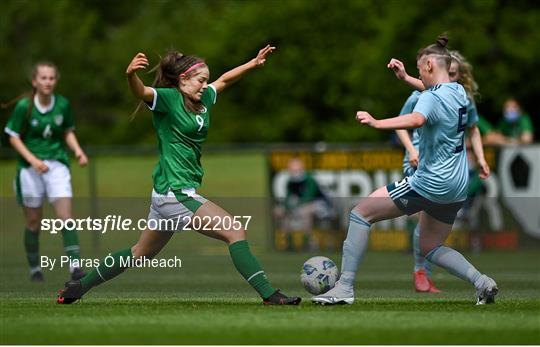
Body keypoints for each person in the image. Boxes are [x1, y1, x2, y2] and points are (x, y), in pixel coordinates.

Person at [57, 45, 301, 305]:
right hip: (175, 192)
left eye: (206, 80)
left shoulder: (203, 97)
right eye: (200, 80)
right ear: (182, 80)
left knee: (139, 253)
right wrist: (130, 75)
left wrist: (252, 63)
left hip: (170, 192)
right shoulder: (168, 99)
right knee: (235, 230)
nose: (205, 85)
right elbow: (140, 92)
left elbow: (225, 80)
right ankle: (269, 294)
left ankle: (78, 287)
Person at [313, 35, 498, 306]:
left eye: (420, 67)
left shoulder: (430, 98)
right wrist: (405, 77)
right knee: (430, 247)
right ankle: (482, 282)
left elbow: (416, 118)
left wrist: (377, 123)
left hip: (431, 183)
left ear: (431, 65)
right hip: (457, 186)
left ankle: (345, 288)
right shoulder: (458, 91)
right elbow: (430, 91)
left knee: (361, 214)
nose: (420, 72)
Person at [388, 50, 490, 293]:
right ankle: (420, 271)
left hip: (444, 171)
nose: (451, 78)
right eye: (450, 73)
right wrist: (412, 150)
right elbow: (403, 125)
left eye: (455, 74)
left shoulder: (462, 98)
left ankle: (425, 272)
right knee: (422, 219)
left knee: (429, 228)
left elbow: (473, 129)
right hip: (418, 163)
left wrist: (481, 157)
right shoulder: (421, 95)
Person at [3, 62, 88, 282]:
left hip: (57, 166)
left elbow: (67, 131)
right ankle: (34, 269)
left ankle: (75, 267)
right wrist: (32, 160)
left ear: (55, 81)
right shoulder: (24, 106)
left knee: (66, 218)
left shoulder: (62, 105)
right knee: (33, 223)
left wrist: (78, 151)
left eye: (51, 78)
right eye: (43, 78)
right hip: (30, 170)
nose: (47, 82)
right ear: (35, 81)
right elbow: (12, 136)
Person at [274, 157, 334, 250]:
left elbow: (308, 198)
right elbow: (287, 199)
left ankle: (309, 243)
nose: (294, 173)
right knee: (280, 212)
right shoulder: (290, 182)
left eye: (296, 170)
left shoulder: (310, 179)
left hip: (322, 205)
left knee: (304, 212)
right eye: (292, 170)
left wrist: (293, 207)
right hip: (301, 206)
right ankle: (287, 243)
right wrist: (286, 208)